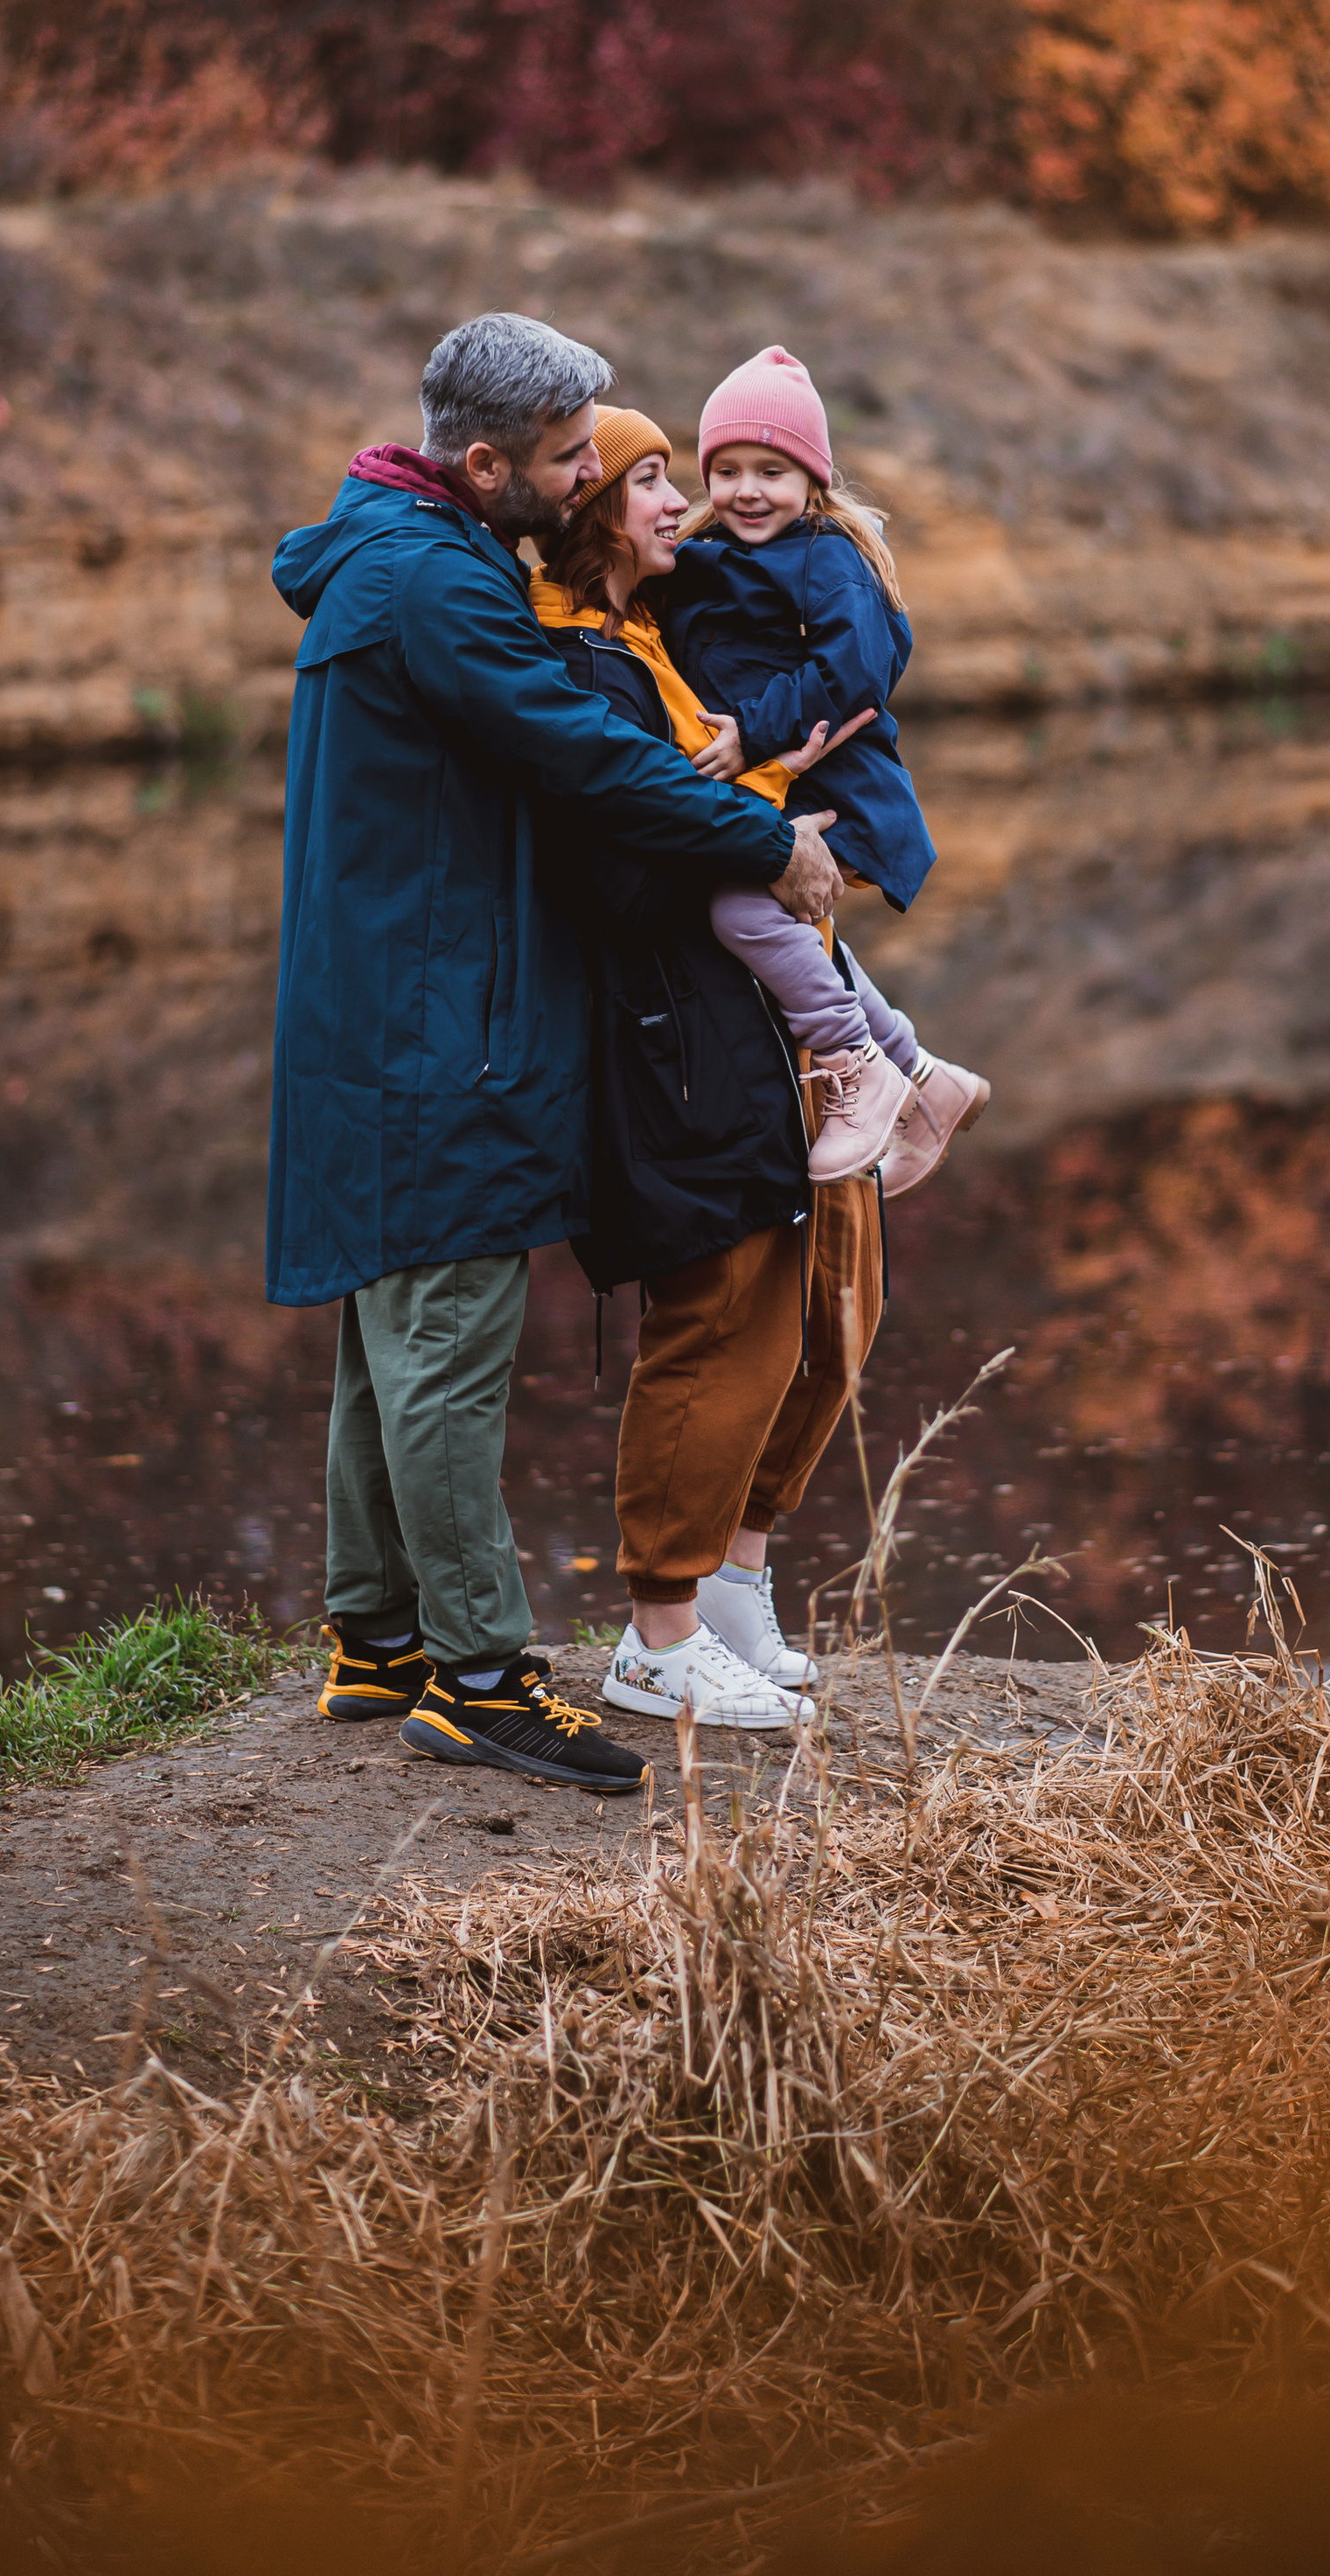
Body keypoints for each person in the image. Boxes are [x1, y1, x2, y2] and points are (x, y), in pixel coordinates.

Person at [267, 317, 842, 1793]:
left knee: (385, 1335)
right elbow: (579, 753)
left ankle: (375, 1638)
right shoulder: (433, 583)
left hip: (384, 1018)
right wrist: (760, 834)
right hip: (434, 1027)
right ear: (483, 463)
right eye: (571, 456)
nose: (596, 476)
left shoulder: (397, 554)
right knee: (448, 1346)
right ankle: (476, 1675)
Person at [530, 408, 887, 1730]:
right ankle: (657, 1631)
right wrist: (757, 834)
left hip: (749, 1020)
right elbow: (620, 863)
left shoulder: (659, 638)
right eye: (647, 483)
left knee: (820, 1313)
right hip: (671, 1038)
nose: (679, 501)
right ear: (587, 513)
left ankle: (731, 1581)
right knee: (717, 1315)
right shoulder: (573, 662)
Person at [668, 343, 989, 1196]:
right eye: (727, 469)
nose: (745, 490)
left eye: (770, 470)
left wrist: (751, 735)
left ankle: (857, 1063)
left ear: (811, 477)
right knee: (795, 936)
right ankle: (924, 1079)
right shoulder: (705, 553)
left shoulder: (828, 555)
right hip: (780, 786)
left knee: (739, 908)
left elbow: (858, 670)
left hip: (839, 791)